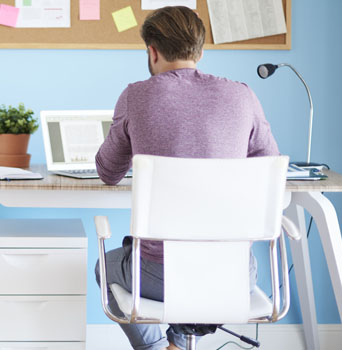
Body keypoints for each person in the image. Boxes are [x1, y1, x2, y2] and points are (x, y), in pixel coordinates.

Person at [93, 6, 279, 350]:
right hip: (233, 277)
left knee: (107, 264)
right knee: (200, 253)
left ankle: (156, 348)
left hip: (159, 278)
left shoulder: (136, 95)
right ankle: (178, 343)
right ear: (200, 51)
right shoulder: (243, 95)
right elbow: (268, 169)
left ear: (152, 51)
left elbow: (108, 172)